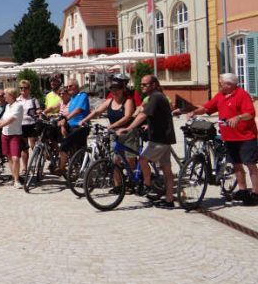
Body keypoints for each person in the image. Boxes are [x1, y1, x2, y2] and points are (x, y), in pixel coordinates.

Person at [186, 73, 258, 205]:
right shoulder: (221, 95)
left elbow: (250, 113)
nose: (219, 85)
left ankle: (255, 193)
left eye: (221, 83)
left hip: (246, 137)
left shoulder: (242, 95)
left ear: (230, 84)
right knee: (236, 165)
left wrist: (239, 117)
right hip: (229, 137)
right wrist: (194, 112)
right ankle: (242, 191)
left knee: (251, 165)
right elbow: (207, 107)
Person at [118, 75, 176, 208]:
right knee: (167, 170)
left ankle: (147, 185)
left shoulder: (156, 97)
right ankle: (169, 200)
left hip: (160, 139)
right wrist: (148, 125)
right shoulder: (156, 97)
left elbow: (143, 114)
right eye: (141, 84)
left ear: (154, 85)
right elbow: (160, 115)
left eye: (145, 84)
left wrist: (128, 128)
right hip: (164, 137)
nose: (142, 86)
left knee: (143, 159)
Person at [80, 80, 137, 168]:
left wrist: (112, 125)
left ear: (122, 90)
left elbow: (127, 117)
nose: (114, 92)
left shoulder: (127, 101)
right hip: (114, 133)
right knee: (114, 161)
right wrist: (84, 120)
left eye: (117, 89)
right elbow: (96, 112)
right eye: (112, 90)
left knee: (130, 161)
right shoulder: (109, 101)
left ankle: (132, 178)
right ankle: (118, 181)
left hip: (128, 133)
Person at [0, 87, 23, 188]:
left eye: (5, 95)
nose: (3, 97)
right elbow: (4, 119)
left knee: (15, 157)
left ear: (11, 95)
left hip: (15, 134)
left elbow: (11, 119)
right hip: (5, 134)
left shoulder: (18, 106)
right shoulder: (8, 106)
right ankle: (14, 178)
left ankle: (17, 181)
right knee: (9, 157)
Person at [56, 79, 90, 175]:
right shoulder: (72, 98)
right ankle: (77, 168)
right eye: (67, 87)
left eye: (70, 86)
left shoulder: (82, 95)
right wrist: (63, 123)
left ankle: (62, 168)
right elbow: (66, 112)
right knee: (76, 149)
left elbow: (78, 110)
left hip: (81, 127)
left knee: (65, 146)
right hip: (71, 126)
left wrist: (66, 119)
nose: (68, 88)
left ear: (76, 86)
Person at [17, 80, 41, 178]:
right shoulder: (17, 100)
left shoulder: (33, 100)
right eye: (21, 88)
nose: (23, 90)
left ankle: (35, 165)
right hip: (21, 125)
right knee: (24, 148)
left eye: (25, 88)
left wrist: (39, 114)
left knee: (33, 145)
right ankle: (24, 168)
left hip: (31, 124)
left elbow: (39, 110)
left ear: (29, 89)